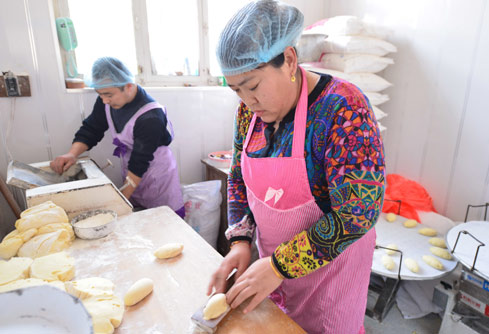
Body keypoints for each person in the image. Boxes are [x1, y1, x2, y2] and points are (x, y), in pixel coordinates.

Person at [207, 1, 385, 333]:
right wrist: (242, 241)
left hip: (330, 285)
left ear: (289, 59)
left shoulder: (343, 110)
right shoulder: (249, 114)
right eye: (236, 91)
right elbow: (237, 179)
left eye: (254, 86)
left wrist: (279, 267)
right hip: (270, 275)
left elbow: (357, 214)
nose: (248, 101)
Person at [50, 57, 185, 217]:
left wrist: (119, 203)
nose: (104, 100)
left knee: (164, 220)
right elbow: (92, 128)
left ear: (128, 86)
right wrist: (72, 154)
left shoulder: (150, 117)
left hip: (157, 175)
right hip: (133, 172)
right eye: (100, 95)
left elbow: (140, 161)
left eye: (108, 95)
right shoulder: (107, 101)